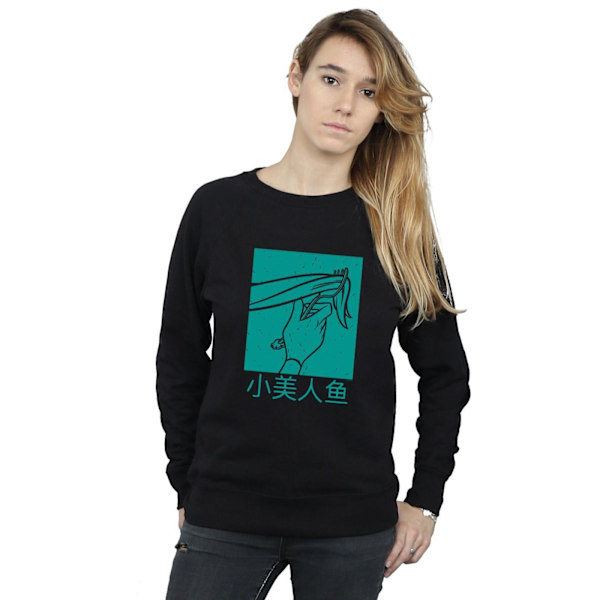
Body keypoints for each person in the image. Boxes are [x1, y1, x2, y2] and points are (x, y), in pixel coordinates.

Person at [155, 8, 471, 600]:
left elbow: (446, 373)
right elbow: (179, 357)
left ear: (382, 109)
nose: (345, 104)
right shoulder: (217, 210)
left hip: (351, 526)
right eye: (331, 79)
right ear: (296, 77)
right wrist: (186, 482)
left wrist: (425, 498)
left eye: (368, 91)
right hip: (225, 514)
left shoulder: (398, 230)